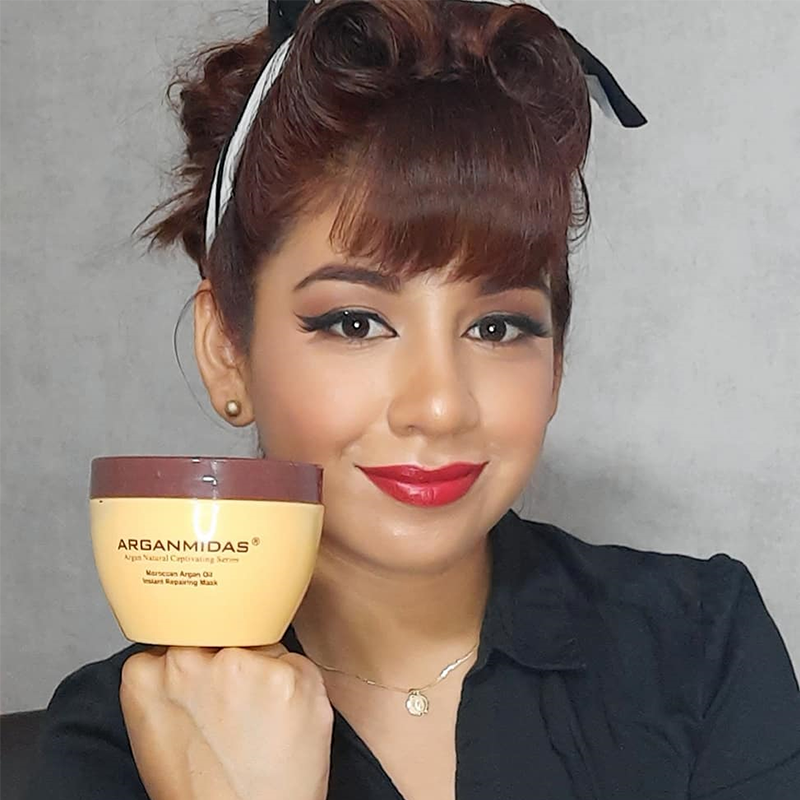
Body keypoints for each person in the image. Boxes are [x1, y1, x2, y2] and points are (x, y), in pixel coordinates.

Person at [26, 1, 800, 799]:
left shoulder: (701, 644)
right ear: (229, 351)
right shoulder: (118, 739)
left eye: (497, 327)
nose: (439, 406)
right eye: (356, 322)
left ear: (557, 361)